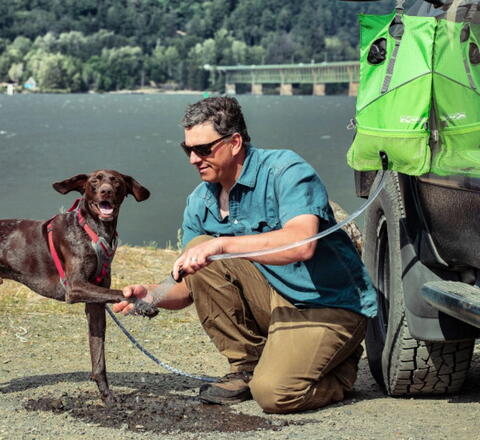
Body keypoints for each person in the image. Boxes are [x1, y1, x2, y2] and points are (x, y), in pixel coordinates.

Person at [113, 96, 377, 414]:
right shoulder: (200, 201)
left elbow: (301, 245)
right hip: (271, 297)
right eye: (188, 150)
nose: (193, 159)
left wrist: (223, 245)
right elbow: (189, 285)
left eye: (203, 149)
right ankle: (247, 366)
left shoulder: (285, 170)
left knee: (275, 395)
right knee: (201, 252)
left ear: (235, 142)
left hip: (327, 304)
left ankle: (340, 372)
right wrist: (152, 295)